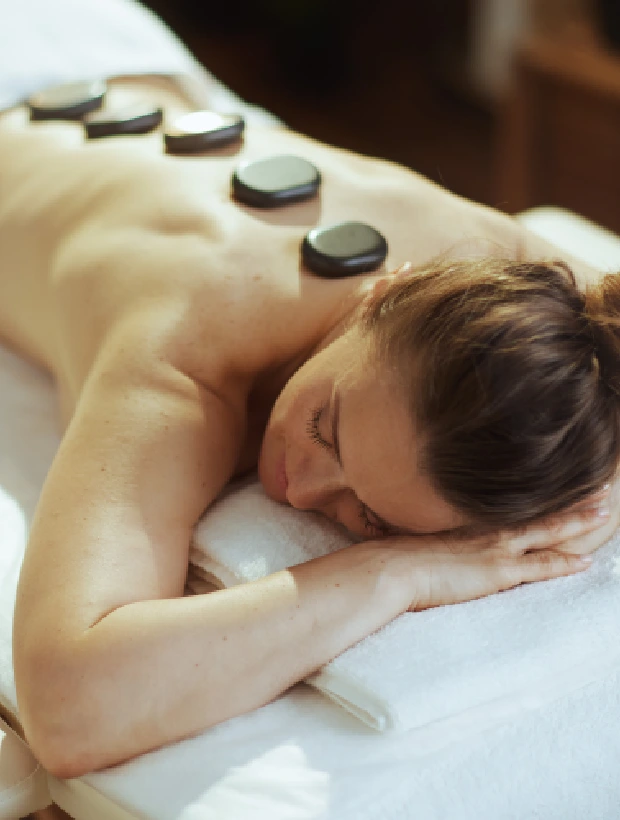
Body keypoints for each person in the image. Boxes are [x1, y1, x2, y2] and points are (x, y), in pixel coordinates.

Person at [2, 3, 619, 784]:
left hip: (139, 95)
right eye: (326, 428)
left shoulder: (496, 282)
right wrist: (394, 571)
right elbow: (70, 705)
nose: (295, 485)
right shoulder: (186, 346)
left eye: (368, 516)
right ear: (381, 294)